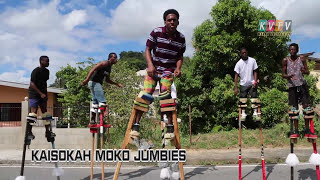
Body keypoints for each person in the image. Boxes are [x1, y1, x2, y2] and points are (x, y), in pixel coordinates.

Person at [130, 9, 186, 140]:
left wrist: (178, 68)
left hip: (167, 71)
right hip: (154, 69)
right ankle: (136, 126)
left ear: (178, 22)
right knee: (146, 93)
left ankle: (170, 128)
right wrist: (150, 65)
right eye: (169, 20)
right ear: (165, 22)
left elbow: (180, 56)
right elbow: (148, 49)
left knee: (166, 95)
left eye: (174, 20)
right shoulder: (156, 32)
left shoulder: (181, 38)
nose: (172, 22)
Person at [282, 43, 316, 138]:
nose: (291, 51)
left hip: (302, 85)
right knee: (294, 109)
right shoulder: (285, 60)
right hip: (292, 87)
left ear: (297, 50)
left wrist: (303, 71)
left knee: (306, 108)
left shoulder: (302, 59)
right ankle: (295, 130)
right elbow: (283, 74)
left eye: (293, 50)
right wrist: (288, 76)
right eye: (290, 50)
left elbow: (307, 71)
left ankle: (307, 130)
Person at [82, 52, 123, 124]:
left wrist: (116, 84)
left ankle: (93, 120)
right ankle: (102, 119)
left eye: (116, 58)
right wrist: (87, 79)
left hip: (94, 83)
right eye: (115, 58)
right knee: (102, 102)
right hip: (94, 82)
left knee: (95, 103)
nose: (116, 59)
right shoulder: (105, 63)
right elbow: (93, 68)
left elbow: (107, 80)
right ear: (110, 58)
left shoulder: (109, 68)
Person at [27, 56, 55, 142]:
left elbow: (44, 83)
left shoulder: (47, 72)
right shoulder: (35, 71)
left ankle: (47, 132)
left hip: (43, 94)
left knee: (45, 113)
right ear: (41, 61)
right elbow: (32, 84)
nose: (48, 63)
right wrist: (40, 93)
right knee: (34, 113)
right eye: (47, 61)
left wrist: (45, 94)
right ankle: (29, 132)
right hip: (34, 94)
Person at [234, 47, 260, 121]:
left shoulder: (252, 60)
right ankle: (243, 113)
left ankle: (255, 113)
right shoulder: (238, 63)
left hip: (252, 83)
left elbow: (255, 71)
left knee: (254, 98)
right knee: (243, 99)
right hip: (243, 84)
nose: (244, 54)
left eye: (245, 52)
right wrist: (235, 87)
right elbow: (236, 76)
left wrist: (255, 81)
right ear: (240, 54)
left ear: (247, 52)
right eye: (243, 53)